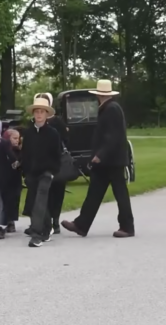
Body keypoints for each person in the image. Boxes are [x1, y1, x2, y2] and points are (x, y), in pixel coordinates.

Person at [61, 79, 134, 238]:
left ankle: (127, 226)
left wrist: (100, 155)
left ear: (100, 94)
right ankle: (81, 224)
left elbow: (113, 136)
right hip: (109, 160)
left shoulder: (111, 109)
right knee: (94, 192)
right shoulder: (108, 108)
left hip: (111, 160)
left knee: (120, 193)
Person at [20, 95, 61, 247]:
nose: (39, 114)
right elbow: (25, 153)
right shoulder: (29, 133)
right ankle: (47, 228)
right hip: (32, 173)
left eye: (42, 112)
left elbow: (57, 155)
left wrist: (52, 171)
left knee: (40, 201)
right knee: (34, 201)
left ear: (46, 114)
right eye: (36, 111)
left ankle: (36, 234)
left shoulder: (53, 134)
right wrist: (25, 172)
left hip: (46, 173)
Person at [33, 92, 69, 235]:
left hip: (56, 163)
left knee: (57, 193)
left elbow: (65, 140)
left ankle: (55, 220)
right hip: (41, 166)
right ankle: (43, 222)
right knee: (43, 194)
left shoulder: (57, 123)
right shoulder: (35, 124)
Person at [3, 128, 23, 233]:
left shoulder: (19, 151)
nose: (17, 140)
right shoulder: (3, 150)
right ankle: (6, 220)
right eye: (14, 138)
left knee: (14, 200)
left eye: (18, 138)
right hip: (5, 179)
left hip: (15, 180)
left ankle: (12, 222)